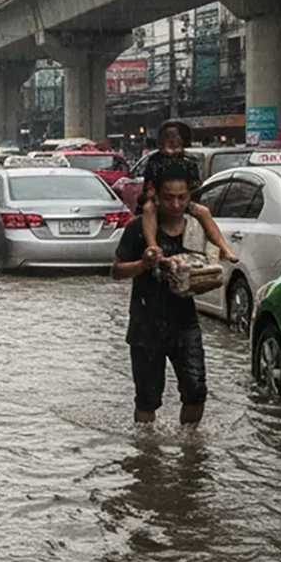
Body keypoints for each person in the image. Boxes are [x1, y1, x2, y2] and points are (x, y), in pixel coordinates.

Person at [113, 159, 208, 426]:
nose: (175, 205)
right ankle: (146, 454)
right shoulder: (137, 229)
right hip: (146, 325)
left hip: (185, 323)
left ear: (190, 196)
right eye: (168, 198)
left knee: (196, 391)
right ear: (156, 195)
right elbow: (117, 270)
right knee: (147, 399)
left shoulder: (196, 228)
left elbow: (213, 263)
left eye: (182, 198)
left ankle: (190, 454)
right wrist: (143, 264)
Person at [140, 122, 238, 264]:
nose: (171, 150)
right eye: (168, 144)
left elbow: (196, 186)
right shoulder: (154, 161)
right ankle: (153, 246)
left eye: (176, 144)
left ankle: (224, 248)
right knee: (148, 209)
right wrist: (155, 198)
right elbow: (147, 186)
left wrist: (187, 201)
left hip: (184, 200)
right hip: (159, 200)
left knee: (203, 212)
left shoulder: (189, 161)